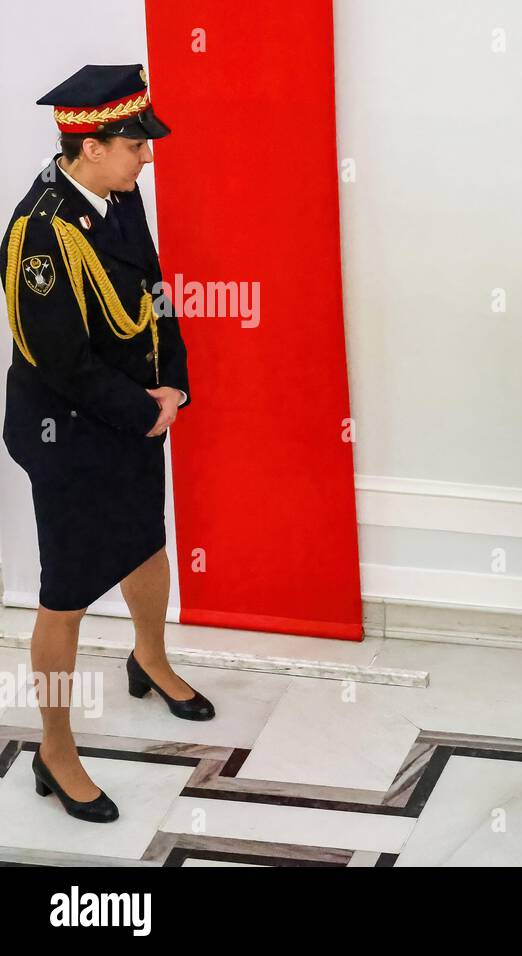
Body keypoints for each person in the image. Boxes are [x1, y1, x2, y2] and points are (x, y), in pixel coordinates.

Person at [2, 65, 214, 825]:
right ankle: (55, 751)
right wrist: (144, 410)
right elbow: (58, 360)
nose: (147, 156)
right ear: (89, 147)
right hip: (70, 434)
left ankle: (149, 658)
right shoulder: (40, 231)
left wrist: (176, 385)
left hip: (131, 415)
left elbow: (155, 290)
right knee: (66, 595)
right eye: (135, 144)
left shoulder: (118, 195)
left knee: (144, 543)